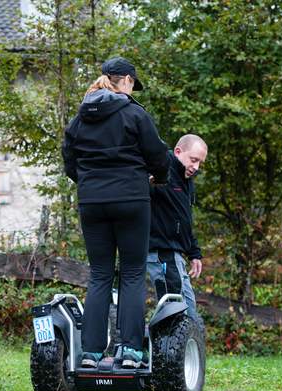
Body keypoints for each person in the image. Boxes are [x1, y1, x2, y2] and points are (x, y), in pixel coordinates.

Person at [62, 57, 169, 369]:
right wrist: (156, 179)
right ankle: (131, 351)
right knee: (133, 272)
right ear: (126, 81)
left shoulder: (79, 120)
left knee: (99, 273)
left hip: (92, 203)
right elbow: (159, 157)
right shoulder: (135, 114)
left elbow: (71, 162)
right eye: (133, 83)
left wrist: (92, 184)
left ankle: (92, 353)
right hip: (132, 200)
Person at [147, 134, 208, 319]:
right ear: (178, 152)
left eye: (200, 163)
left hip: (177, 255)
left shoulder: (187, 182)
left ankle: (185, 347)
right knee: (173, 313)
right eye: (193, 160)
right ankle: (164, 348)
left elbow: (184, 219)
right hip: (160, 252)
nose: (196, 167)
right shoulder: (160, 171)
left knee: (189, 312)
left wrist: (194, 253)